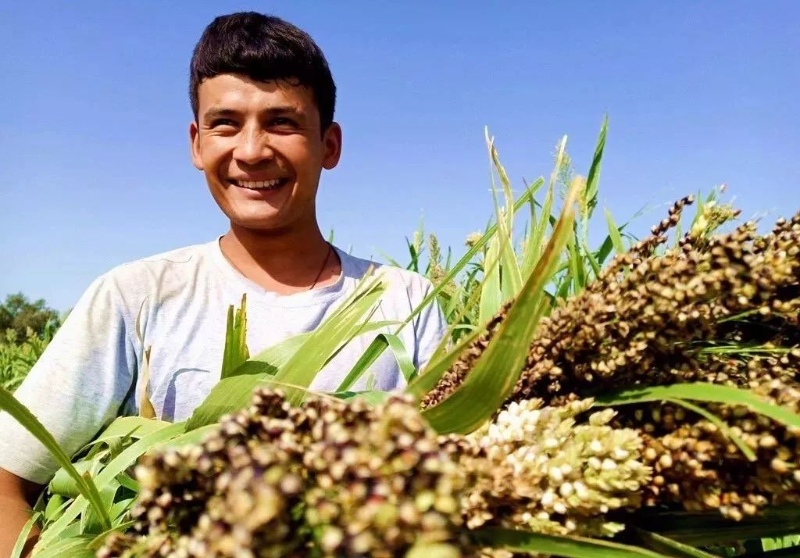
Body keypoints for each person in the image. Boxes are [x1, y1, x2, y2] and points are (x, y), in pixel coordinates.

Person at [0, 12, 445, 555]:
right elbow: (6, 480)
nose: (252, 150)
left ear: (329, 145)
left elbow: (457, 476)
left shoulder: (405, 301)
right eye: (226, 124)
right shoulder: (135, 297)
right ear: (197, 143)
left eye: (282, 122)